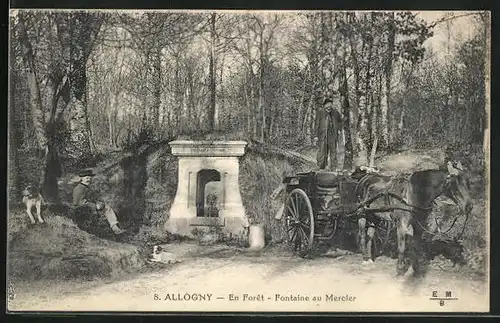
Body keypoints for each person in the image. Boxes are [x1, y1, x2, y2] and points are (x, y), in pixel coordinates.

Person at [72, 169, 126, 235]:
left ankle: (114, 228)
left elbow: (92, 199)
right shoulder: (79, 188)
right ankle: (113, 229)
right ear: (82, 178)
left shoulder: (87, 187)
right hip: (81, 210)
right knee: (106, 208)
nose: (89, 180)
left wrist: (98, 203)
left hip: (88, 208)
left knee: (106, 207)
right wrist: (95, 206)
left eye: (90, 178)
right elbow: (78, 203)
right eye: (87, 178)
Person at [315, 96, 343, 170]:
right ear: (324, 106)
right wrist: (316, 135)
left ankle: (333, 167)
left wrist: (339, 130)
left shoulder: (335, 113)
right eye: (327, 107)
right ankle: (320, 166)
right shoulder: (320, 112)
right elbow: (317, 124)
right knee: (322, 151)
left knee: (333, 151)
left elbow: (340, 122)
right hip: (323, 134)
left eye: (330, 107)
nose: (329, 109)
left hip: (332, 134)